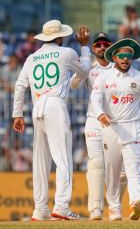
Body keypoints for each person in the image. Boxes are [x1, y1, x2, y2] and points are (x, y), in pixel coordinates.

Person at [12, 20, 92, 220]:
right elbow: (85, 70)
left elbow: (20, 86)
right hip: (56, 105)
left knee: (40, 161)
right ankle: (62, 206)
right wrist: (84, 46)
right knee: (63, 157)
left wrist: (17, 114)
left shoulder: (32, 57)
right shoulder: (66, 53)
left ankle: (40, 209)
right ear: (60, 37)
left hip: (37, 106)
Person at [91, 38, 140, 221]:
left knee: (133, 170)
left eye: (129, 56)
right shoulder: (103, 77)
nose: (125, 59)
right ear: (114, 57)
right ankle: (114, 208)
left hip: (134, 128)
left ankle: (136, 202)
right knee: (112, 172)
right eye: (121, 55)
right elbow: (95, 99)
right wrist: (100, 114)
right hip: (111, 128)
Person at [70, 33, 128, 220]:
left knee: (122, 171)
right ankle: (95, 210)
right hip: (95, 121)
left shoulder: (119, 68)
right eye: (98, 45)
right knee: (96, 164)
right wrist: (82, 70)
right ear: (93, 49)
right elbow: (73, 85)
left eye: (105, 44)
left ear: (111, 48)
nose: (102, 47)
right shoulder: (90, 69)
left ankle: (115, 207)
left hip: (118, 123)